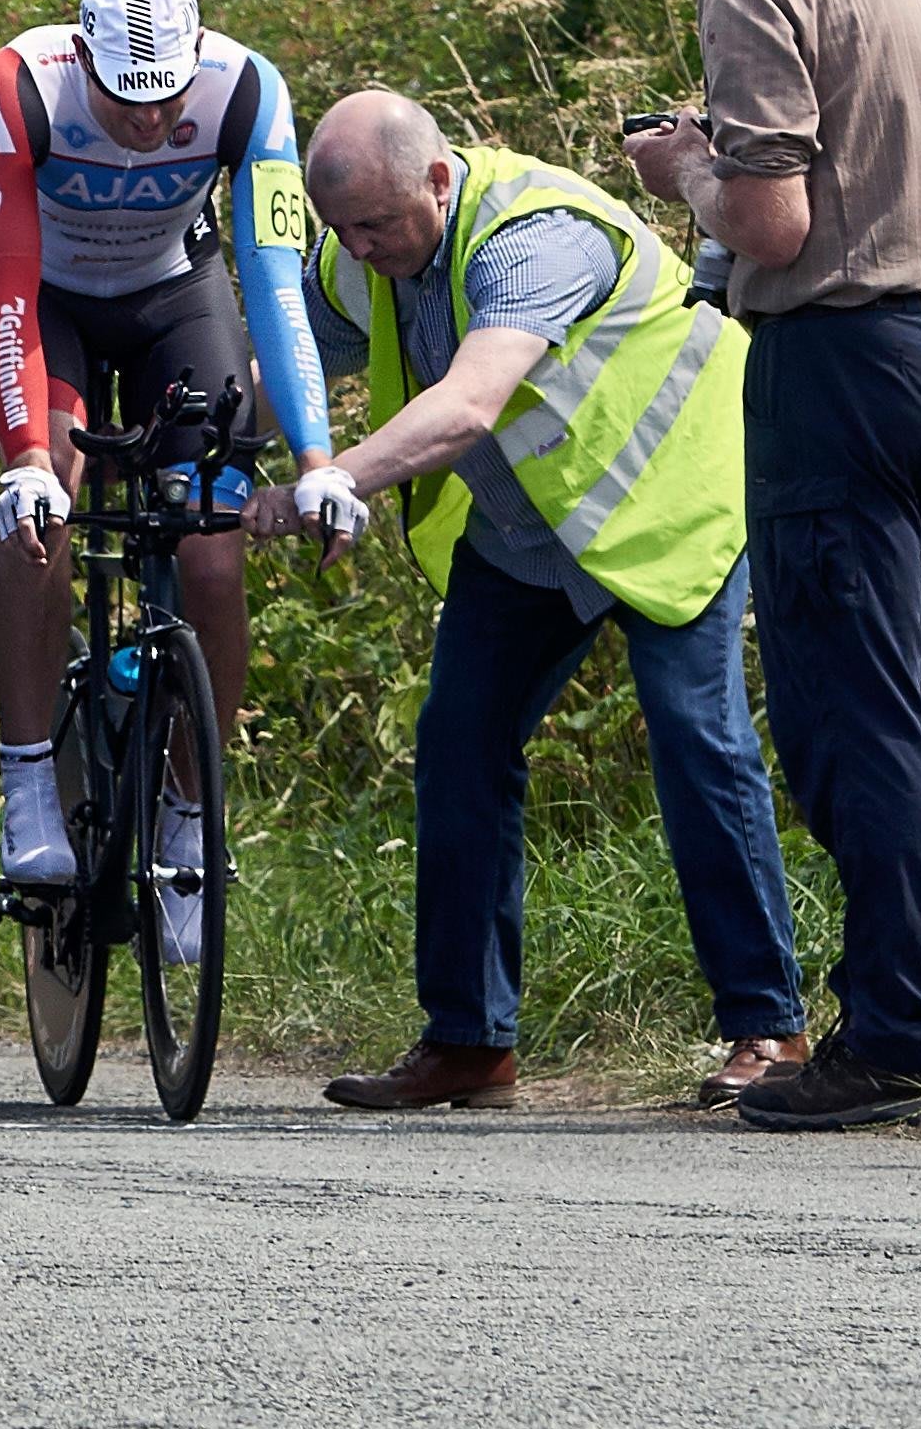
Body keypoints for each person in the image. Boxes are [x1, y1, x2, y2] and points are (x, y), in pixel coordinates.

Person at [618, 0, 921, 1134]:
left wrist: (681, 168)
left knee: (850, 716)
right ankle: (910, 1003)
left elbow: (772, 226)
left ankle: (906, 1033)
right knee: (911, 698)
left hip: (840, 359)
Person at [282, 88, 804, 1116]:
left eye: (379, 223)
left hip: (669, 501)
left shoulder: (535, 235)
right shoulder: (361, 254)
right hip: (530, 537)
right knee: (460, 741)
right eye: (341, 228)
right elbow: (287, 362)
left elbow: (473, 400)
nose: (363, 246)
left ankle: (770, 1027)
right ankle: (469, 1043)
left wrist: (338, 476)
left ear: (437, 178)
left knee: (697, 737)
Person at [0, 0, 327, 948]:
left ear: (196, 61)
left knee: (211, 539)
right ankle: (29, 777)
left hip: (175, 292)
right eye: (124, 101)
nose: (149, 123)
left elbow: (274, 282)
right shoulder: (20, 85)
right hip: (47, 303)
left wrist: (319, 456)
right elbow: (5, 288)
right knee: (49, 497)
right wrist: (26, 453)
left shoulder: (246, 90)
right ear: (84, 59)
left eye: (165, 103)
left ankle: (191, 817)